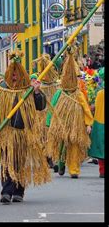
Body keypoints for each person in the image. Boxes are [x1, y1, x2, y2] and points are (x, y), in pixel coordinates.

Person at [0, 50, 51, 204]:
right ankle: (6, 192)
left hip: (22, 133)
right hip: (6, 133)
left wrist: (36, 92)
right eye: (12, 73)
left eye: (17, 73)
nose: (15, 76)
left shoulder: (28, 89)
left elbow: (40, 106)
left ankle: (19, 192)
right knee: (7, 162)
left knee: (20, 162)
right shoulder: (1, 89)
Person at [46, 44, 93, 179]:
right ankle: (61, 163)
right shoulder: (60, 93)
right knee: (62, 144)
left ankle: (74, 169)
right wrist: (49, 123)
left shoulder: (78, 94)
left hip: (75, 125)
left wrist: (88, 123)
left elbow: (86, 108)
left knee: (74, 146)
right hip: (62, 125)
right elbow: (52, 108)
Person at [88, 68, 104, 178]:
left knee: (100, 147)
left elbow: (93, 107)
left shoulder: (99, 93)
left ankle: (102, 171)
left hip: (99, 122)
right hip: (100, 121)